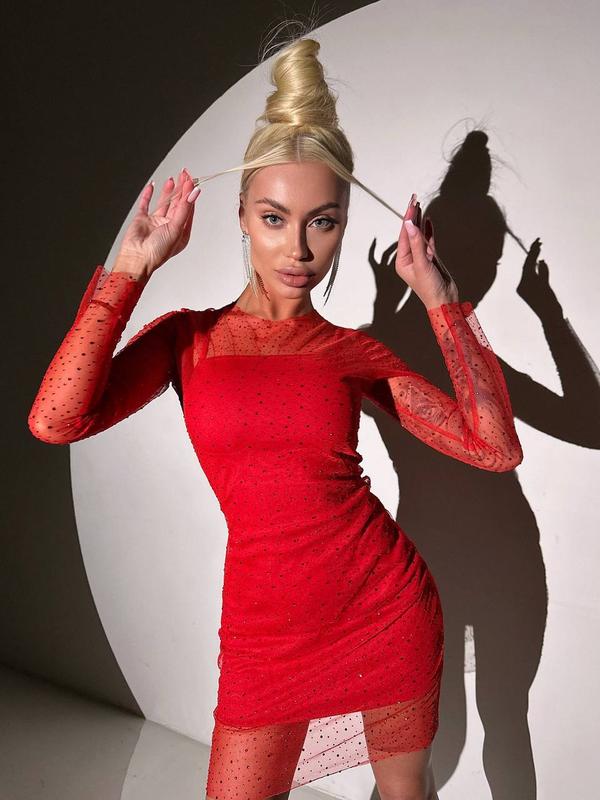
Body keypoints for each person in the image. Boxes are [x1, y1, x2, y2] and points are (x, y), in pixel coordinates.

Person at [28, 35, 523, 800]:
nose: (297, 247)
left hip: (384, 610)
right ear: (240, 215)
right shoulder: (187, 341)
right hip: (264, 639)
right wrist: (129, 271)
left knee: (408, 792)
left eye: (322, 222)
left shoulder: (350, 352)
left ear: (344, 222)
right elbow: (56, 421)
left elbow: (493, 449)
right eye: (273, 217)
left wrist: (440, 297)